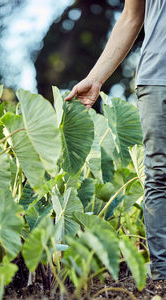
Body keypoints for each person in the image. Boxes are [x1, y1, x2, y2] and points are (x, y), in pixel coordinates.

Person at [65, 0, 166, 280]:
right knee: (160, 176)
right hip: (159, 77)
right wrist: (96, 77)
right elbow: (132, 16)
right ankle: (163, 278)